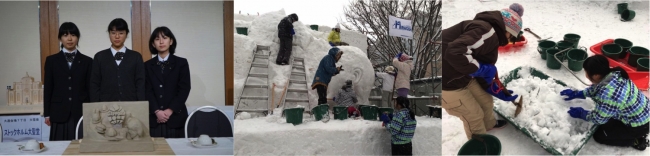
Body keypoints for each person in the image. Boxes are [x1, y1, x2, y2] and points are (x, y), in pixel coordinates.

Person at [440, 8, 523, 139]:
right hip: (446, 82)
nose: (510, 39)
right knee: (473, 115)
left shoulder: (489, 32)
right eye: (511, 36)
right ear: (508, 30)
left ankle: (489, 124)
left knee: (485, 100)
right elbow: (455, 52)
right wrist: (481, 69)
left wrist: (493, 87)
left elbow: (476, 61)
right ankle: (480, 147)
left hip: (462, 74)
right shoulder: (486, 31)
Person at [561, 55, 649, 151]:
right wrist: (579, 93)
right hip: (642, 112)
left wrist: (583, 114)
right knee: (607, 118)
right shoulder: (613, 74)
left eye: (586, 72)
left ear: (596, 75)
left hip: (639, 125)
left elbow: (598, 119)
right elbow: (597, 88)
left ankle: (636, 140)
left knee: (599, 135)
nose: (585, 74)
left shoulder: (610, 95)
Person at [43, 22, 93, 141]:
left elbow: (90, 88)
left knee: (80, 148)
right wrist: (47, 113)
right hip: (58, 111)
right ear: (60, 38)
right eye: (65, 35)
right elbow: (48, 88)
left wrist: (92, 111)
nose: (69, 38)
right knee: (59, 148)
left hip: (80, 111)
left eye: (73, 35)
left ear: (78, 38)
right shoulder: (51, 61)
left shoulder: (88, 61)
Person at [145, 26, 191, 138]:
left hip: (176, 118)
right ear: (152, 44)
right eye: (157, 39)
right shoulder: (146, 65)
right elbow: (146, 90)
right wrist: (157, 111)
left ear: (171, 41)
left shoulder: (181, 63)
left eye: (164, 38)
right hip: (154, 119)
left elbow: (184, 89)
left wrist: (170, 110)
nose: (161, 42)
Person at [90, 18, 145, 102]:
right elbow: (94, 84)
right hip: (106, 106)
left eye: (121, 33)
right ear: (109, 34)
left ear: (126, 34)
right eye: (113, 33)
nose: (117, 36)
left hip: (131, 105)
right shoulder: (99, 57)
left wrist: (140, 105)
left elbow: (140, 84)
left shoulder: (136, 57)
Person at [311, 47, 344, 121]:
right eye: (338, 55)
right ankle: (322, 114)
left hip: (323, 81)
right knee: (322, 97)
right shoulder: (328, 58)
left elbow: (331, 72)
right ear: (335, 54)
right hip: (320, 80)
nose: (339, 57)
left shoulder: (331, 60)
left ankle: (322, 113)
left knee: (322, 97)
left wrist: (337, 71)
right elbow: (328, 69)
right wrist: (336, 69)